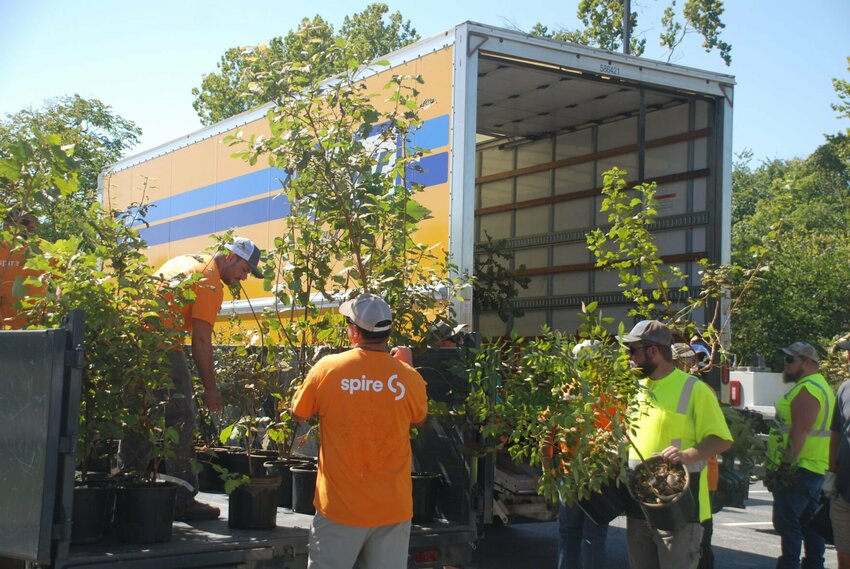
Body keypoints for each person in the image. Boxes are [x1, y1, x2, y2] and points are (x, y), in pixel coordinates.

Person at [121, 236, 264, 521]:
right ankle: (182, 499)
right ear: (231, 256)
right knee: (182, 416)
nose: (244, 277)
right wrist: (211, 388)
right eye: (245, 269)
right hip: (161, 346)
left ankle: (124, 487)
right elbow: (200, 339)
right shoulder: (209, 281)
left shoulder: (186, 262)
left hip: (132, 343)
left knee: (138, 416)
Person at [291, 293, 428, 568]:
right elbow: (418, 418)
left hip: (340, 508)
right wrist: (405, 366)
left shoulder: (329, 368)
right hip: (393, 507)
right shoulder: (407, 376)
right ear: (387, 332)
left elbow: (299, 412)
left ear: (354, 331)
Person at [622, 320, 732, 569]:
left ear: (653, 351)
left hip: (680, 508)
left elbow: (722, 439)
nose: (628, 358)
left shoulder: (694, 390)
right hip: (640, 506)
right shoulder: (637, 389)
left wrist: (687, 455)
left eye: (632, 351)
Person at [766, 342, 835, 569]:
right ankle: (814, 564)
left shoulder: (808, 390)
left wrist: (786, 466)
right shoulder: (818, 386)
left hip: (800, 468)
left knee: (788, 524)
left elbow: (800, 431)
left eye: (789, 360)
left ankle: (790, 565)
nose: (784, 365)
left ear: (807, 363)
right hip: (812, 466)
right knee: (808, 524)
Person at [548, 339, 610, 569]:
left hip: (569, 472)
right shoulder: (609, 391)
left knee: (568, 533)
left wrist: (548, 468)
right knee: (594, 536)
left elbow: (548, 431)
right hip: (598, 473)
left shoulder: (566, 389)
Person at [673, 343, 718, 569]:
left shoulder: (701, 391)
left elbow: (717, 439)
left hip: (700, 477)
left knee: (699, 541)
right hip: (685, 478)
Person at [828, 338, 850, 569]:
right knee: (843, 556)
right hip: (844, 491)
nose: (847, 357)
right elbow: (836, 434)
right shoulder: (845, 388)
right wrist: (831, 474)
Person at [0, 211, 40, 329]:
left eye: (33, 220)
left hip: (36, 332)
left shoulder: (44, 250)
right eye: (25, 221)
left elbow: (62, 285)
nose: (32, 225)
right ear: (7, 224)